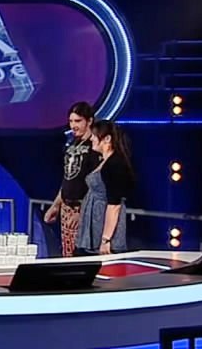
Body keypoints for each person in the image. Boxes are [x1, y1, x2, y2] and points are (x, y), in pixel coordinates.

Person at [44, 102, 101, 257]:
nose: (73, 126)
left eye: (78, 121)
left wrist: (82, 213)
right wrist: (56, 205)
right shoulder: (72, 144)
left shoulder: (95, 147)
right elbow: (68, 178)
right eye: (71, 121)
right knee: (67, 255)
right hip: (66, 208)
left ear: (89, 121)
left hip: (84, 209)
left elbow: (97, 186)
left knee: (82, 255)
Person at [76, 120, 135, 255]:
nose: (91, 138)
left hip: (105, 222)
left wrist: (106, 239)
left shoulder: (115, 163)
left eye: (94, 135)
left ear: (107, 138)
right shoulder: (104, 161)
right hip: (95, 218)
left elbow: (114, 205)